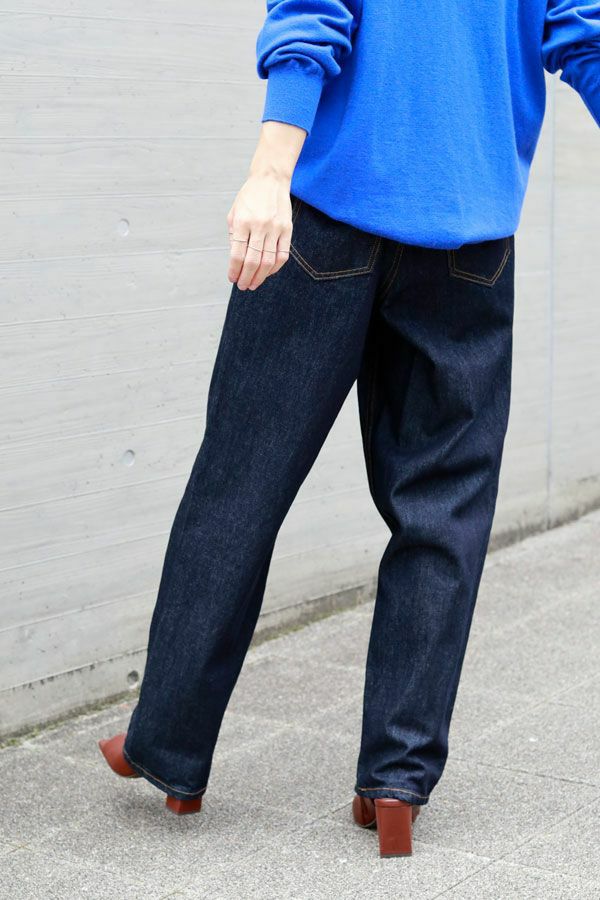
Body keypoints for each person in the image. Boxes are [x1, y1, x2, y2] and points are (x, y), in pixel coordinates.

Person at [99, 0, 599, 858]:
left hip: (330, 213)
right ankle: (396, 780)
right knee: (443, 512)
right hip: (469, 229)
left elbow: (312, 14)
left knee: (240, 482)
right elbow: (582, 30)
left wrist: (268, 170)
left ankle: (171, 749)